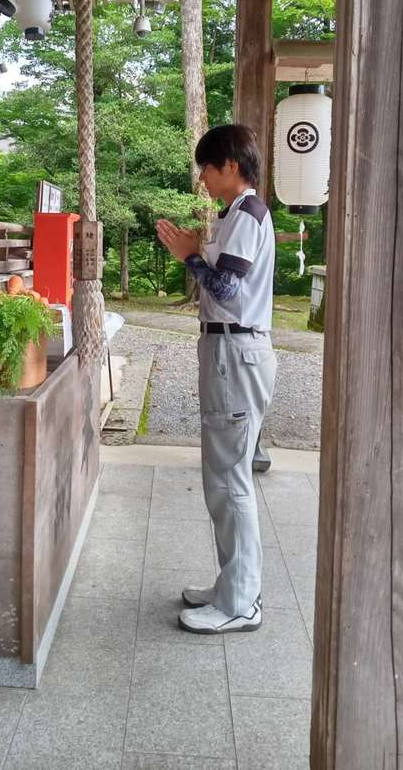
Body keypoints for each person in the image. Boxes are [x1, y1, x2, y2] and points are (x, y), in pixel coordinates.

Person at [156, 124, 277, 635]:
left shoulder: (248, 214)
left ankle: (241, 601)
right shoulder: (235, 217)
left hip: (236, 348)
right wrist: (196, 251)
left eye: (207, 166)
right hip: (226, 347)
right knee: (223, 478)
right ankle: (232, 585)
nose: (202, 176)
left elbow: (226, 288)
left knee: (230, 480)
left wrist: (189, 256)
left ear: (231, 165)